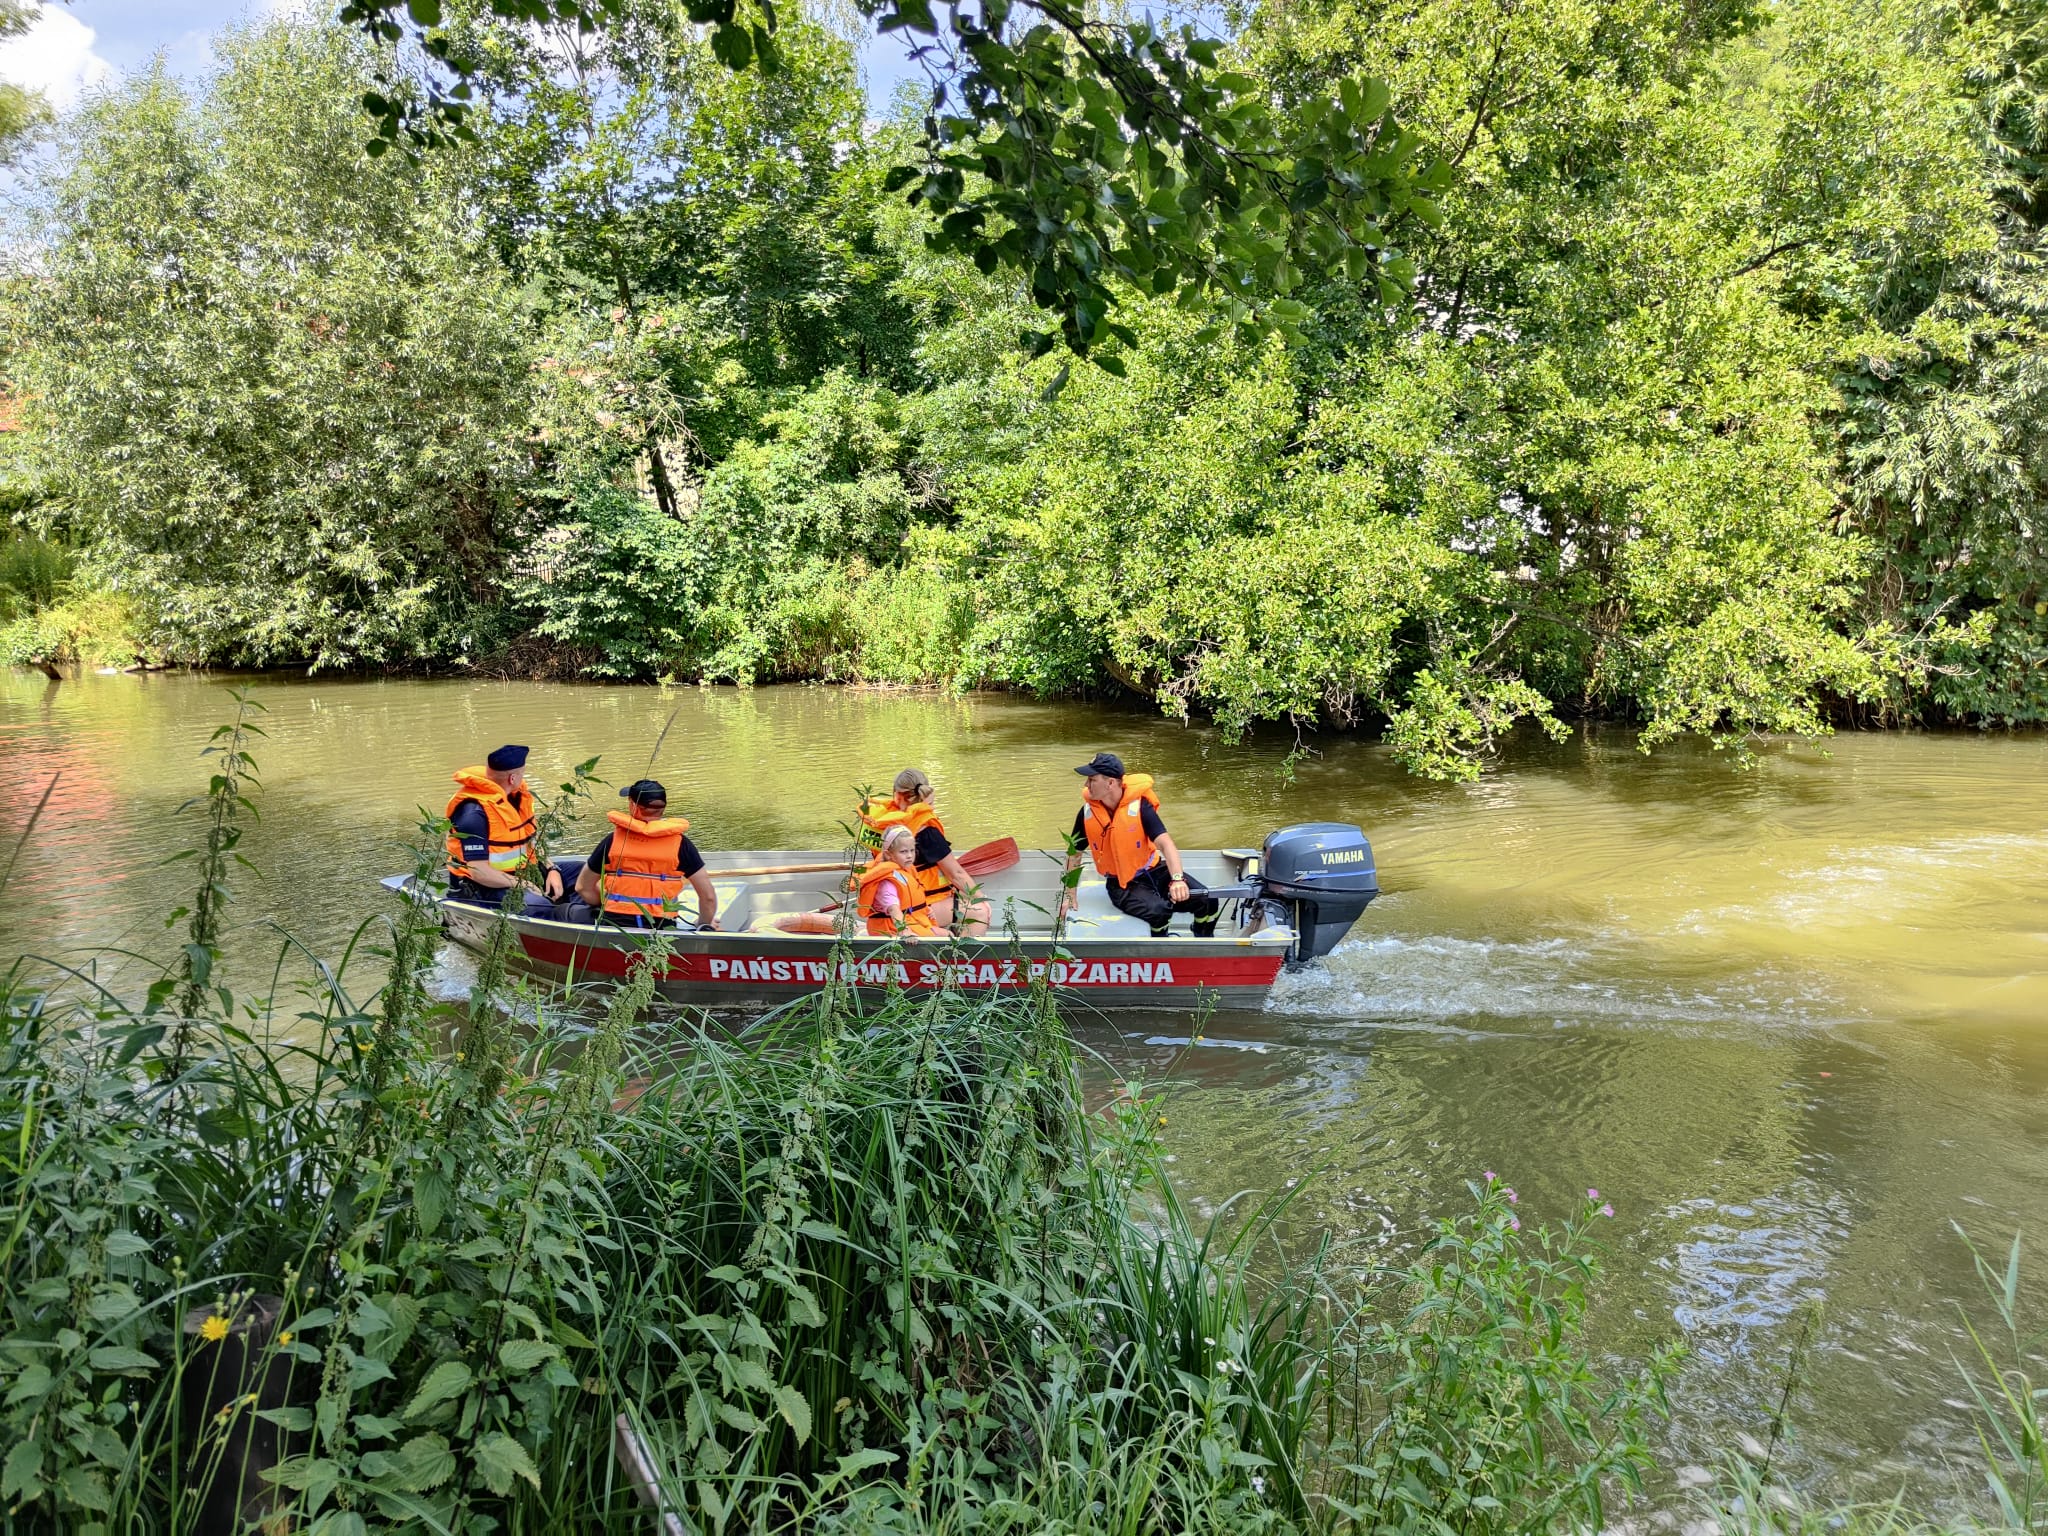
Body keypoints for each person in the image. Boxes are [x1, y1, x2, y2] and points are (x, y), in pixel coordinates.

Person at [1058, 752, 1220, 937]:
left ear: (1110, 783)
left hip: (1154, 870)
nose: (1086, 785)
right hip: (1122, 884)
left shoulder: (1140, 807)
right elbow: (1074, 854)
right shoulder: (1087, 813)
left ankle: (1203, 937)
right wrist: (1069, 895)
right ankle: (1161, 943)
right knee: (1159, 911)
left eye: (1092, 780)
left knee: (1207, 899)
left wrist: (1177, 879)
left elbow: (1166, 844)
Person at [574, 779, 720, 930]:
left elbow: (582, 887)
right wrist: (702, 923)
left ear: (633, 806)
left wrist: (610, 902)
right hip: (662, 929)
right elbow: (708, 898)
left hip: (616, 926)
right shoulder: (681, 845)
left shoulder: (612, 841)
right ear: (663, 808)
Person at [860, 768, 990, 936]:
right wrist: (982, 899)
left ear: (895, 794)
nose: (932, 808)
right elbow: (956, 874)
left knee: (960, 901)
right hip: (916, 908)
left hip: (887, 906)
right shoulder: (926, 831)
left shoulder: (881, 825)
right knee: (979, 911)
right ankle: (961, 953)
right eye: (931, 803)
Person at [446, 745, 564, 914]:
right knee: (538, 905)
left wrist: (552, 869)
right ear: (512, 778)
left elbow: (529, 841)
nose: (523, 778)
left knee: (582, 872)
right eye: (522, 774)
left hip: (520, 873)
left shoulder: (515, 798)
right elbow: (479, 872)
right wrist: (523, 884)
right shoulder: (473, 814)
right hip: (484, 886)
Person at [855, 825, 937, 938]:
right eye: (903, 852)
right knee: (943, 938)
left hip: (912, 921)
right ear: (888, 855)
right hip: (891, 929)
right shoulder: (886, 882)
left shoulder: (904, 871)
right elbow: (893, 909)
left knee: (948, 934)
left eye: (912, 850)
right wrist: (904, 931)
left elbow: (910, 900)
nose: (909, 856)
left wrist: (926, 909)